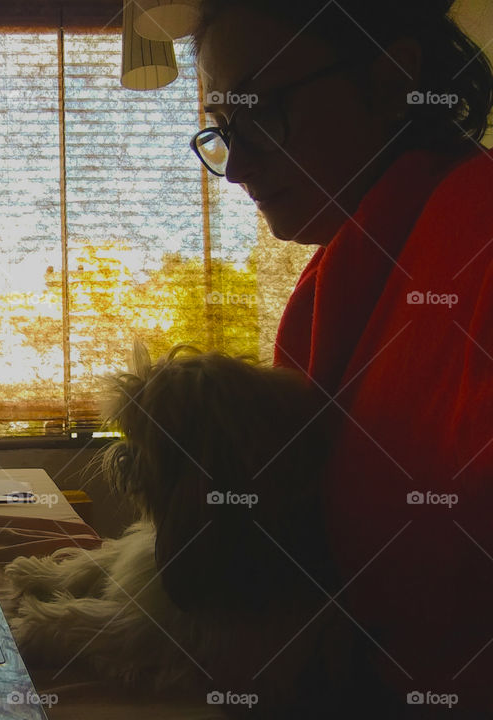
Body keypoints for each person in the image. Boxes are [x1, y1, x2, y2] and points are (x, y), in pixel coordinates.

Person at [185, 0, 493, 712]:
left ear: (391, 82)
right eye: (225, 131)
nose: (237, 169)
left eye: (263, 110)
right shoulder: (340, 280)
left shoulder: (473, 237)